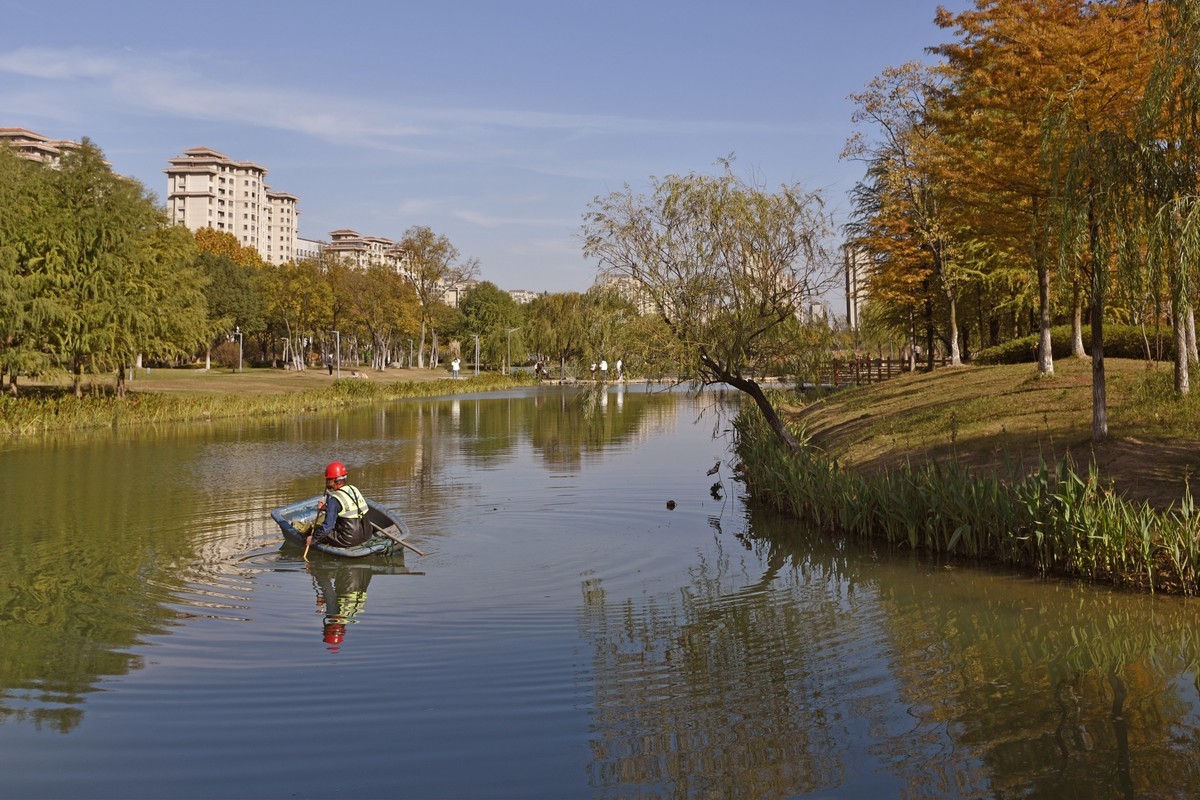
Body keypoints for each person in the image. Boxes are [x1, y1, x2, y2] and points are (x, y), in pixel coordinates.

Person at [307, 461, 372, 549]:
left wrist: (313, 539)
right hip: (367, 534)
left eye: (327, 479)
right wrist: (326, 508)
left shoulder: (334, 499)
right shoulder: (353, 489)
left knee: (318, 532)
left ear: (333, 480)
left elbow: (327, 528)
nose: (326, 482)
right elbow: (349, 509)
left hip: (349, 540)